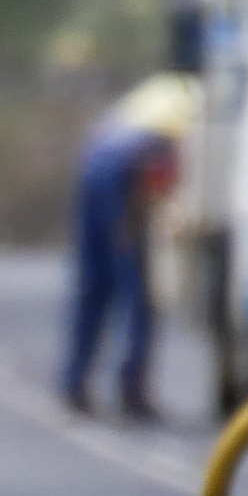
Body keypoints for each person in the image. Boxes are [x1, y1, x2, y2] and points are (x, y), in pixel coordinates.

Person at [59, 66, 195, 421]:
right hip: (126, 173)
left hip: (94, 162)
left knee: (93, 285)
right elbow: (170, 175)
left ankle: (74, 384)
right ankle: (132, 390)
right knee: (137, 289)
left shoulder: (157, 91)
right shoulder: (191, 102)